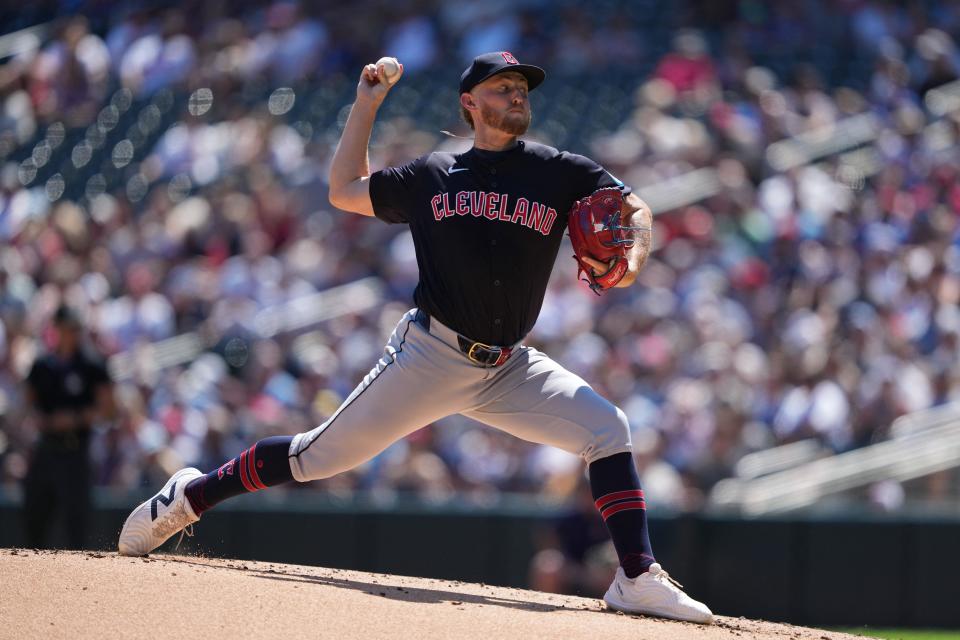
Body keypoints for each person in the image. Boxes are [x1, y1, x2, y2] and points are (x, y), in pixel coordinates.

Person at [118, 51, 714, 624]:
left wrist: (632, 251)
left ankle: (636, 576)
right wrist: (366, 105)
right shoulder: (433, 173)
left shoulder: (559, 170)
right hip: (430, 354)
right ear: (469, 104)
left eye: (522, 89)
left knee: (609, 429)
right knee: (314, 457)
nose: (516, 96)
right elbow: (344, 189)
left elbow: (634, 209)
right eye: (502, 88)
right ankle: (192, 495)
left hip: (508, 367)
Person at [24, 305, 113, 549]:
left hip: (76, 450)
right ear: (57, 330)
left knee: (77, 523)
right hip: (46, 448)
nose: (72, 334)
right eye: (67, 329)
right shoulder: (43, 364)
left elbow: (107, 409)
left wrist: (74, 419)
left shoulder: (91, 364)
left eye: (75, 329)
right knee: (36, 516)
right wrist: (44, 421)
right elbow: (28, 404)